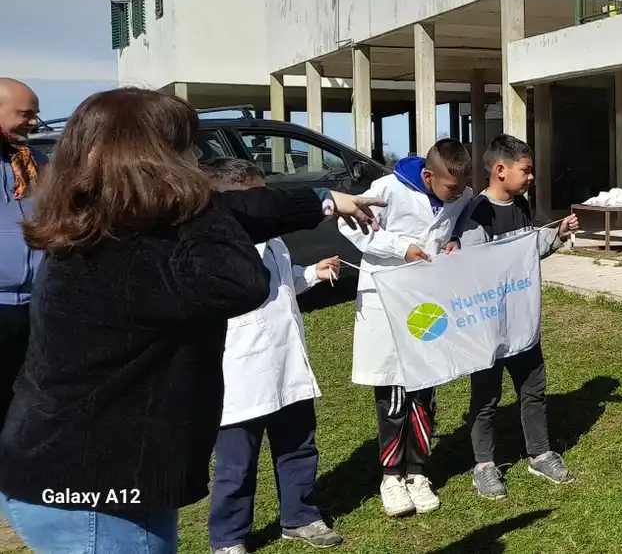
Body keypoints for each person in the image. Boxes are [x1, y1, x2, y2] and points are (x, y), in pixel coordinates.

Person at [0, 88, 378, 554]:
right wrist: (198, 195)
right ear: (156, 160)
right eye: (186, 149)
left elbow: (242, 209)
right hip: (98, 492)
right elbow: (240, 281)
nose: (198, 158)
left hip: (86, 476)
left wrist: (323, 199)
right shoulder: (126, 251)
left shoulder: (111, 221)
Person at [203, 159, 344, 553]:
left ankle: (300, 516)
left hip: (287, 363)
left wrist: (312, 272)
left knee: (299, 446)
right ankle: (229, 537)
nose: (271, 205)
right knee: (236, 463)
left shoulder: (275, 240)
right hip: (239, 372)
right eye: (261, 196)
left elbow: (283, 283)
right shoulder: (217, 248)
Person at [341, 139, 474, 517]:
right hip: (387, 300)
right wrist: (402, 248)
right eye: (451, 187)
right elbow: (350, 225)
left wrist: (455, 245)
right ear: (429, 175)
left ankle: (417, 471)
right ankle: (391, 476)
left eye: (462, 187)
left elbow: (459, 230)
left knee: (423, 388)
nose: (458, 194)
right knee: (393, 392)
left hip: (427, 304)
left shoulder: (460, 196)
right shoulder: (388, 189)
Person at [452, 134, 582, 496]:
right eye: (525, 170)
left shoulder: (522, 205)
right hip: (489, 326)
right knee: (486, 396)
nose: (531, 178)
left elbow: (529, 249)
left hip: (523, 323)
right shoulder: (476, 214)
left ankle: (540, 454)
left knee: (533, 388)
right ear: (499, 170)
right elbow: (472, 267)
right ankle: (484, 465)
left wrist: (555, 234)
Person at [0, 78, 40, 435]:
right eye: (26, 114)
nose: (35, 122)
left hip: (37, 306)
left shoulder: (38, 163)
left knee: (26, 411)